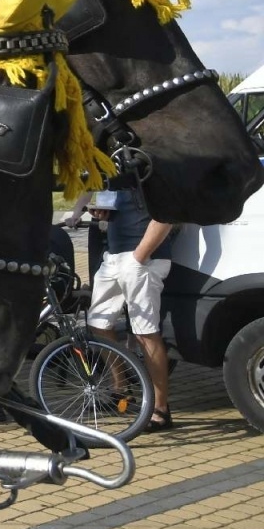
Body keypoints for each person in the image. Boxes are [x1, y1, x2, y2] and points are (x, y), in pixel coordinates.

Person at [84, 179, 177, 431]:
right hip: (113, 255)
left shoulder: (150, 165)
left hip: (143, 258)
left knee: (145, 332)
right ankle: (121, 390)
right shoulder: (115, 167)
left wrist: (139, 256)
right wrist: (101, 211)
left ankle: (161, 409)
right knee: (98, 324)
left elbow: (168, 213)